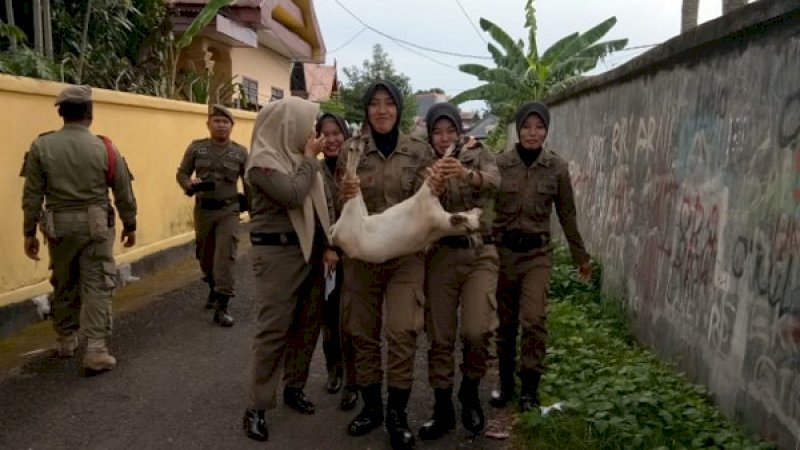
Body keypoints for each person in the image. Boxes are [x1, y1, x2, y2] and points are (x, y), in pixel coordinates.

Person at [337, 80, 435, 450]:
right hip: (362, 256)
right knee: (362, 333)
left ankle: (397, 414)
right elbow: (337, 202)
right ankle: (372, 408)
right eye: (374, 104)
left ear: (398, 108)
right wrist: (344, 193)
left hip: (404, 258)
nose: (381, 110)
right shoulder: (352, 149)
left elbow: (428, 201)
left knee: (401, 332)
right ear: (366, 110)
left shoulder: (418, 151)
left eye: (388, 103)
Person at [21, 84, 137, 374]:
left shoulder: (41, 146)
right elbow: (123, 191)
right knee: (97, 283)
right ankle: (96, 349)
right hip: (96, 224)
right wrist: (130, 223)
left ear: (61, 113)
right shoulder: (105, 147)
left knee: (63, 280)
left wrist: (29, 233)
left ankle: (66, 339)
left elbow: (32, 194)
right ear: (90, 114)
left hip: (58, 225)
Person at [242, 97, 338, 442]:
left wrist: (328, 246)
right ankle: (257, 406)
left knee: (307, 323)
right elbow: (294, 194)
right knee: (274, 329)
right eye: (308, 124)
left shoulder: (301, 160)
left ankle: (294, 386)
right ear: (288, 125)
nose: (314, 133)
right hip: (278, 255)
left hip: (309, 251)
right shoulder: (262, 163)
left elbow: (322, 206)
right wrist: (311, 160)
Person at [491, 101, 592, 412]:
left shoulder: (557, 168)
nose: (532, 133)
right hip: (504, 253)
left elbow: (566, 214)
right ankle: (506, 385)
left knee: (533, 320)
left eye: (539, 127)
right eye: (527, 126)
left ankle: (530, 389)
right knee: (506, 325)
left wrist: (580, 257)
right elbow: (483, 204)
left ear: (546, 130)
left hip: (537, 254)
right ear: (518, 129)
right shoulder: (499, 164)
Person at [417, 103, 500, 439]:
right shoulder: (422, 161)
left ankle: (469, 390)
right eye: (437, 131)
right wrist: (430, 186)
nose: (444, 137)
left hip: (479, 251)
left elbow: (496, 183)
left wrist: (466, 175)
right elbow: (411, 204)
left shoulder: (477, 153)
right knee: (439, 337)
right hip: (439, 256)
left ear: (459, 130)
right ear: (430, 134)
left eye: (450, 130)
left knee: (478, 331)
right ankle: (442, 408)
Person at [176, 104, 248, 327]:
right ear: (208, 124)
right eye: (217, 121)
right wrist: (189, 184)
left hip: (229, 210)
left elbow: (250, 183)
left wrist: (254, 209)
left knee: (225, 255)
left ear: (232, 126)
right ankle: (213, 287)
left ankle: (223, 306)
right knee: (205, 257)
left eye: (226, 122)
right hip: (204, 209)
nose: (221, 125)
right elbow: (182, 173)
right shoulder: (197, 149)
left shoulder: (240, 152)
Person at [316, 112, 359, 411]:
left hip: (355, 255)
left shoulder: (356, 169)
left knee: (353, 321)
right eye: (325, 134)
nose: (331, 140)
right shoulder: (312, 171)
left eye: (336, 133)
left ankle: (354, 381)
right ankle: (334, 370)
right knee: (329, 318)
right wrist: (326, 248)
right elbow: (309, 217)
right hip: (325, 258)